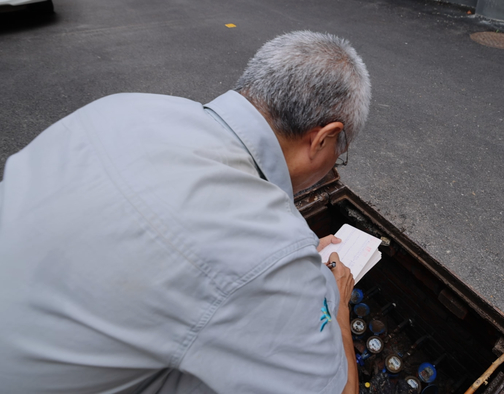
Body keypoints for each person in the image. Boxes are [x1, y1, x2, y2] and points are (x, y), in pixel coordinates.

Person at [0, 31, 371, 393]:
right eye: (342, 151)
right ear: (323, 138)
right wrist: (336, 307)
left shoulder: (120, 106)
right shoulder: (266, 245)